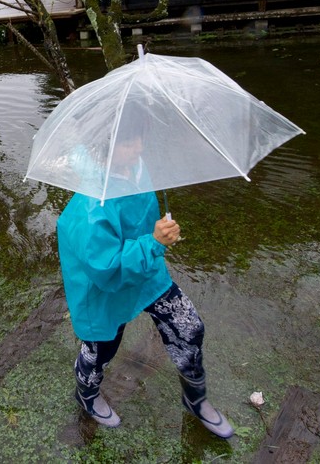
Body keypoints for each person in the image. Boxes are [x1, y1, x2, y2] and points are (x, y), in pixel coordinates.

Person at [55, 136, 233, 438]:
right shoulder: (89, 207)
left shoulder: (137, 168)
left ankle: (195, 398)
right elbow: (106, 270)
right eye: (128, 144)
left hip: (145, 271)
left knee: (188, 328)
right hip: (103, 290)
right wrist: (153, 242)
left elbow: (143, 220)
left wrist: (159, 235)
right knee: (101, 349)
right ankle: (86, 395)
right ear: (106, 152)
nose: (138, 149)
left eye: (139, 141)